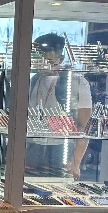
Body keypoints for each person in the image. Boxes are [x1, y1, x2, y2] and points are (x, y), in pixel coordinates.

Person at [27, 33, 92, 180]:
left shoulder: (77, 82)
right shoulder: (33, 80)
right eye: (38, 60)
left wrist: (75, 162)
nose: (43, 65)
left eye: (49, 61)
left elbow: (84, 126)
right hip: (31, 146)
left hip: (61, 148)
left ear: (60, 59)